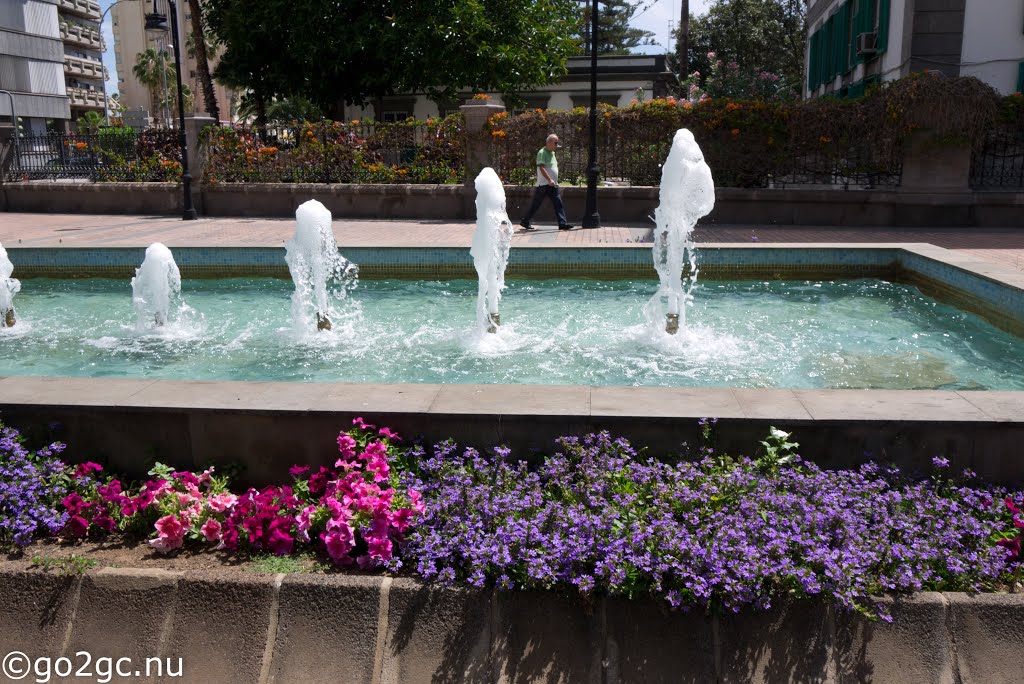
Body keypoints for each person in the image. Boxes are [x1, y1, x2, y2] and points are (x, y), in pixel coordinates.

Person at [520, 134, 573, 231]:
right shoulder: (542, 152)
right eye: (555, 143)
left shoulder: (552, 153)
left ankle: (562, 223)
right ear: (549, 142)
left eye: (557, 143)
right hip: (544, 185)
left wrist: (554, 180)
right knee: (536, 205)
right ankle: (525, 221)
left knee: (558, 204)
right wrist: (549, 179)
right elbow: (541, 167)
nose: (557, 145)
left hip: (552, 185)